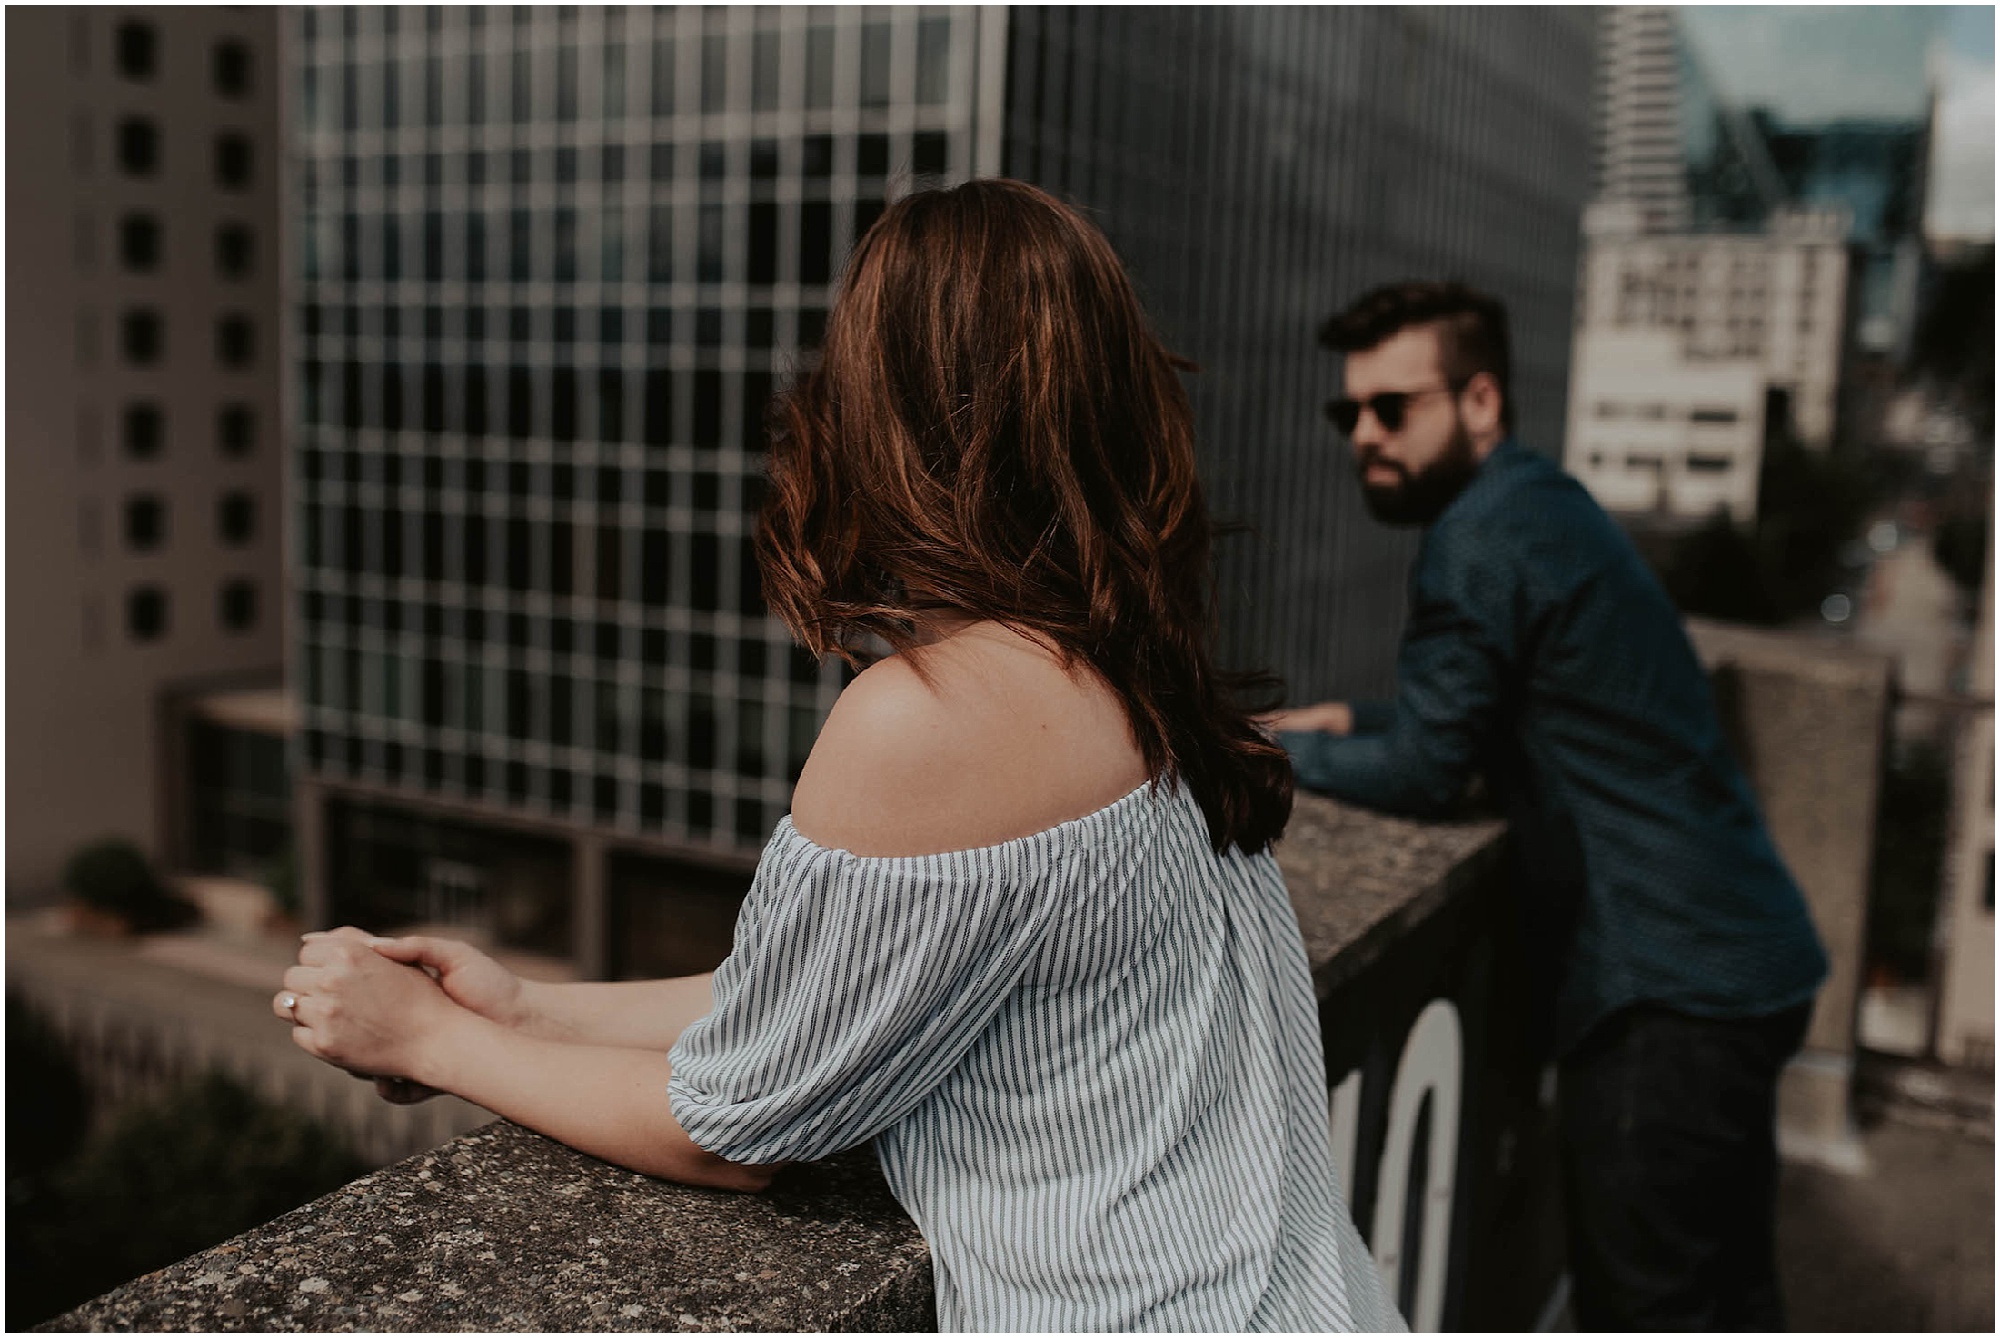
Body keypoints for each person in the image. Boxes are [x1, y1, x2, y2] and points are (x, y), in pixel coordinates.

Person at [273, 179, 1401, 1333]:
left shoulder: (933, 713)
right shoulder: (1137, 670)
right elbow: (830, 996)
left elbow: (731, 1133)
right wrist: (528, 1008)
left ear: (883, 411)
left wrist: (431, 1040)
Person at [1263, 280, 1829, 1331]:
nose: (1365, 437)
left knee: (1644, 1310)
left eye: (1395, 408)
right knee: (1729, 1302)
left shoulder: (1473, 538)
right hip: (1737, 954)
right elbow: (1505, 713)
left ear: (1479, 402)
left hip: (1661, 988)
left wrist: (1265, 760)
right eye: (1350, 414)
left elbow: (1430, 770)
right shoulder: (1537, 503)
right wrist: (1352, 715)